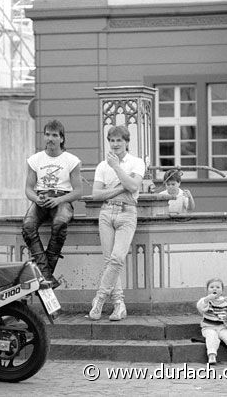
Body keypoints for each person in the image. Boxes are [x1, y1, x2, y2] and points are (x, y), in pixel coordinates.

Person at [89, 125, 145, 321]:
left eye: (119, 140)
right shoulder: (102, 166)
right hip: (106, 213)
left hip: (127, 213)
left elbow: (133, 186)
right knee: (109, 260)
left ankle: (99, 299)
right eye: (112, 140)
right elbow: (96, 195)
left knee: (117, 258)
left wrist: (116, 168)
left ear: (127, 142)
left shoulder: (136, 162)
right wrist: (120, 189)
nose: (115, 144)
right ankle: (119, 305)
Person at [22, 120, 83, 289]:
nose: (50, 138)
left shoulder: (71, 161)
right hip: (41, 198)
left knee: (60, 222)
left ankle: (43, 274)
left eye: (55, 135)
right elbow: (28, 189)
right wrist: (36, 198)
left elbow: (78, 192)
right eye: (47, 134)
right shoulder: (35, 160)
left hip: (62, 199)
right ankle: (47, 275)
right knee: (28, 226)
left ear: (62, 139)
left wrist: (58, 200)